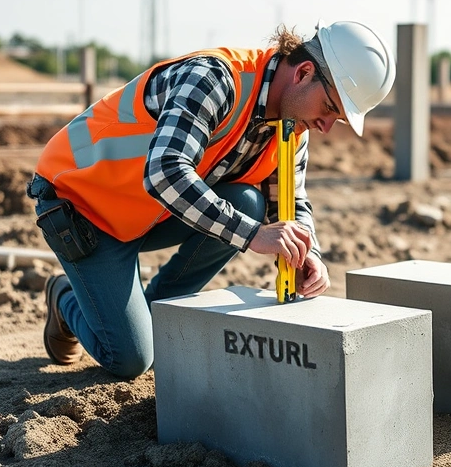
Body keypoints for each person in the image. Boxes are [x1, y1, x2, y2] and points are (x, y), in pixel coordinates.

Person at [27, 20, 395, 379]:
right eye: (330, 108)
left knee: (248, 203)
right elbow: (165, 171)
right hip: (81, 206)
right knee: (130, 360)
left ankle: (156, 311)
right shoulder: (215, 79)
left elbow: (291, 201)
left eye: (339, 119)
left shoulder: (292, 124)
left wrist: (307, 252)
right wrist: (253, 236)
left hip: (146, 210)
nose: (327, 126)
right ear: (303, 73)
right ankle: (64, 296)